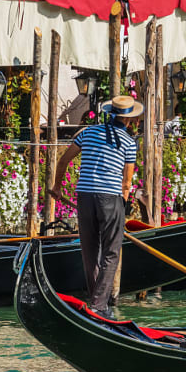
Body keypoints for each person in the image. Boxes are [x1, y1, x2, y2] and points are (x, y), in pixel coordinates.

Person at [50, 95, 141, 319]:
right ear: (129, 120)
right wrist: (122, 207)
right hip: (110, 198)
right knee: (111, 252)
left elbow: (63, 161)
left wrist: (57, 187)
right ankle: (99, 306)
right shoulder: (129, 143)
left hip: (85, 197)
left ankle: (96, 302)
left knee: (89, 251)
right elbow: (127, 182)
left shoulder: (88, 133)